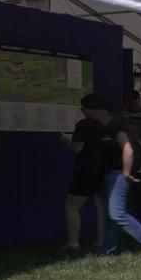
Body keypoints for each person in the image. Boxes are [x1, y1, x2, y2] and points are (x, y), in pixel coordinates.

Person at [93, 95, 141, 255]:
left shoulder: (115, 126)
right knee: (110, 215)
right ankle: (108, 249)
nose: (85, 112)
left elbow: (127, 149)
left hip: (118, 175)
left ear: (100, 110)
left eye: (87, 109)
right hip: (111, 174)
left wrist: (126, 173)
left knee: (116, 213)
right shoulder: (106, 128)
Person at [59, 95, 107, 250]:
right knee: (100, 209)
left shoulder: (84, 124)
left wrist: (65, 139)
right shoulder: (107, 124)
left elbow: (77, 148)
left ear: (86, 109)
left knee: (71, 206)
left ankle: (73, 243)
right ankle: (101, 241)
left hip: (86, 171)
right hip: (103, 170)